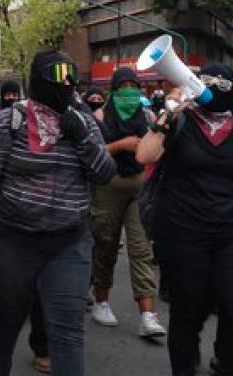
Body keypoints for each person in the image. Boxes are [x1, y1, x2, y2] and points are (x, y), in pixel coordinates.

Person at [0, 51, 116, 376]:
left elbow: (104, 173)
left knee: (67, 332)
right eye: (57, 78)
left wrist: (83, 137)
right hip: (13, 244)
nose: (65, 86)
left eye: (70, 79)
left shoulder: (84, 121)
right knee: (8, 320)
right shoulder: (9, 121)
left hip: (69, 245)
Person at [135, 62, 233, 376]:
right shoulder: (182, 120)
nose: (216, 87)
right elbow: (144, 156)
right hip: (182, 233)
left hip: (227, 234)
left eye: (224, 82)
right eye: (209, 81)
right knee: (186, 316)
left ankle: (226, 366)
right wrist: (169, 112)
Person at [90, 67, 165, 337]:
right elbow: (92, 153)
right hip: (107, 186)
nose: (129, 93)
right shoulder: (99, 116)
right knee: (105, 245)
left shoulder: (148, 117)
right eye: (124, 88)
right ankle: (101, 301)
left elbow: (158, 150)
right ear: (114, 90)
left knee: (141, 249)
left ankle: (147, 314)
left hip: (139, 186)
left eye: (135, 87)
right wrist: (120, 145)